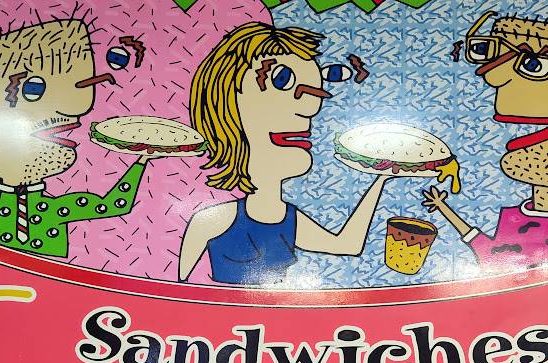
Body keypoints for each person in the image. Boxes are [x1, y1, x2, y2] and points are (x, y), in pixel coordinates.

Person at [181, 22, 399, 286]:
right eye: (281, 79)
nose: (311, 108)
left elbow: (346, 245)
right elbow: (175, 292)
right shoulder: (211, 221)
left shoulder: (289, 219)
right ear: (228, 107)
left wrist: (380, 178)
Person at [0, 20, 151, 257]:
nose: (76, 110)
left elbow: (114, 205)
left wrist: (142, 160)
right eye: (33, 89)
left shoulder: (59, 208)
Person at [422, 11, 548, 271]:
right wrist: (442, 206)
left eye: (532, 64)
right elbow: (478, 242)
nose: (493, 78)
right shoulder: (514, 216)